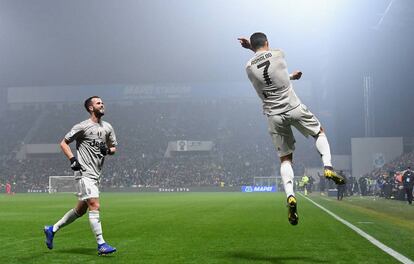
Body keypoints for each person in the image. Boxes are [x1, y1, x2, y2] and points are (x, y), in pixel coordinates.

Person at [238, 32, 345, 225]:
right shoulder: (278, 53)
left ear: (252, 46)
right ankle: (328, 167)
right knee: (319, 132)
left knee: (285, 159)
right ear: (267, 42)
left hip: (274, 115)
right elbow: (273, 70)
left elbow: (266, 77)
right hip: (294, 107)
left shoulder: (247, 67)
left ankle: (290, 197)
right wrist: (291, 76)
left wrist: (251, 50)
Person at [44, 96, 118, 255]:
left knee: (80, 210)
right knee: (94, 205)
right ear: (91, 108)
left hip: (96, 174)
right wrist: (72, 159)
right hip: (84, 172)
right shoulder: (82, 127)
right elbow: (63, 142)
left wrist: (108, 151)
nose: (102, 104)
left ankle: (52, 229)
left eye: (102, 102)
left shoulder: (108, 128)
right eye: (98, 103)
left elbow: (113, 148)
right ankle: (101, 244)